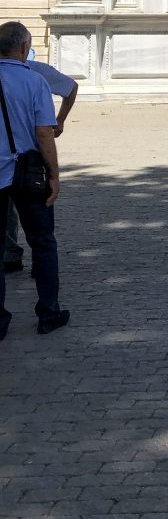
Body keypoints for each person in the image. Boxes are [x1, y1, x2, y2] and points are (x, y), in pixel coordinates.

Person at [0, 21, 69, 337]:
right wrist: (54, 174)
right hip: (27, 173)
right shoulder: (34, 81)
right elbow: (44, 133)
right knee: (42, 242)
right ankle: (48, 313)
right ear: (24, 48)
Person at [4, 57, 77, 276]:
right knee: (37, 216)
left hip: (11, 158)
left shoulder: (35, 71)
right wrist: (60, 121)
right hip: (30, 158)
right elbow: (71, 87)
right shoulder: (36, 72)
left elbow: (71, 87)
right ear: (24, 47)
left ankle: (10, 253)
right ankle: (39, 261)